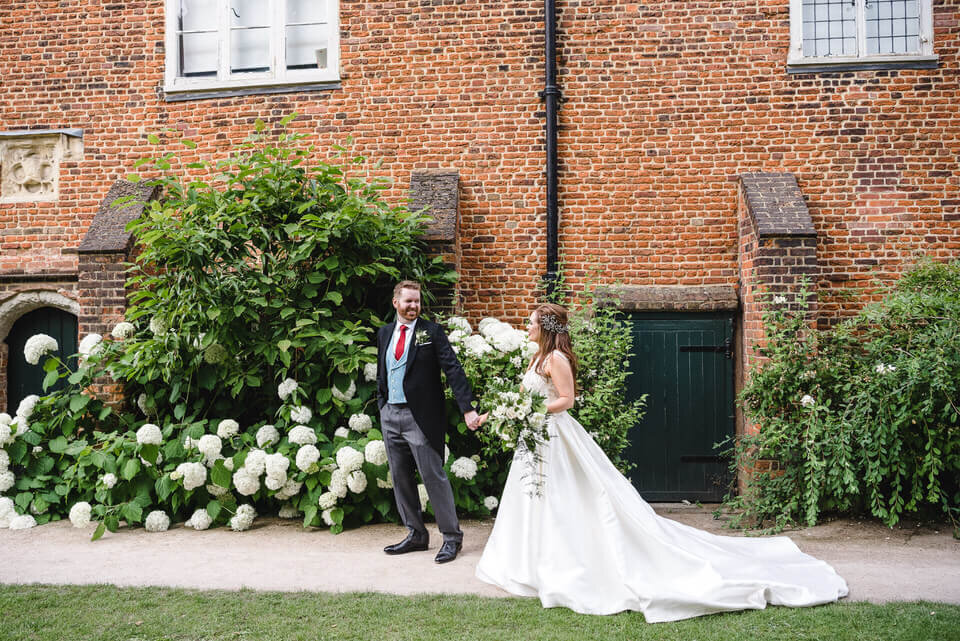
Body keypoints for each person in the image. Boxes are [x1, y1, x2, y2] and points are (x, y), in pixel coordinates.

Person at [474, 303, 849, 622]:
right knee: (534, 498)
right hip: (536, 437)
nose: (527, 326)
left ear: (546, 328)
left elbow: (567, 400)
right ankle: (529, 562)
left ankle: (566, 563)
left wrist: (532, 409)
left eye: (532, 322)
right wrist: (500, 413)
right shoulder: (536, 356)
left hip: (556, 436)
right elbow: (522, 396)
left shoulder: (555, 358)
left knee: (563, 499)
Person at [376, 280, 480, 564]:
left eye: (417, 301)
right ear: (395, 302)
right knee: (400, 478)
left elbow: (453, 370)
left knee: (434, 477)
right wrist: (382, 404)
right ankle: (416, 535)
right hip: (390, 415)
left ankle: (451, 538)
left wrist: (468, 409)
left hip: (420, 417)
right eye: (408, 301)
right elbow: (382, 373)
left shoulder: (431, 332)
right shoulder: (384, 333)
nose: (413, 306)